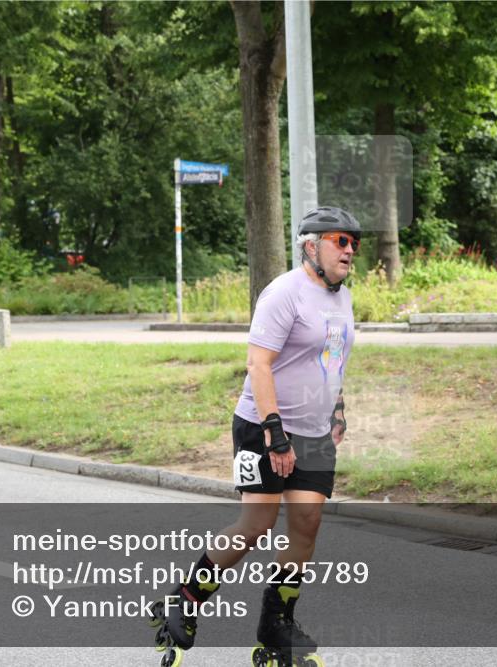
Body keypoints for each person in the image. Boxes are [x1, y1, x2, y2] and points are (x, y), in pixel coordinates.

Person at [151, 206, 359, 667]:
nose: (349, 250)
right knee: (256, 526)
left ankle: (276, 623)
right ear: (312, 245)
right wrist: (275, 434)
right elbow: (258, 364)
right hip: (264, 426)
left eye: (353, 243)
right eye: (340, 240)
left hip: (315, 431)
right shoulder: (283, 293)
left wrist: (338, 408)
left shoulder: (341, 297)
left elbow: (333, 357)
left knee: (306, 527)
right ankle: (183, 598)